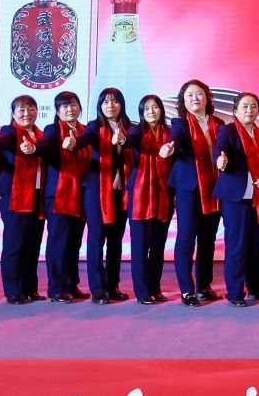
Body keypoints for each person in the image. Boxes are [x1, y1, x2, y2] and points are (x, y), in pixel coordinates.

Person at [214, 92, 259, 307]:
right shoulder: (228, 130)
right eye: (245, 106)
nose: (249, 110)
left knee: (256, 245)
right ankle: (235, 291)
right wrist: (220, 159)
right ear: (235, 110)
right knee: (237, 244)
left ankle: (255, 287)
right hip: (236, 198)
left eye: (253, 106)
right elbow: (220, 148)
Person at [168, 79, 223, 305]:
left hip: (214, 189)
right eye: (189, 95)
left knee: (208, 240)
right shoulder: (180, 123)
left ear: (207, 97)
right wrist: (170, 145)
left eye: (199, 93)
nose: (195, 98)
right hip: (189, 190)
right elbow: (175, 138)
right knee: (186, 239)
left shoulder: (218, 123)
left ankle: (204, 286)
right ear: (183, 100)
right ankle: (186, 290)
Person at [40, 91, 92, 304]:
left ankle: (71, 284)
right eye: (64, 106)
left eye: (73, 104)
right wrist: (34, 148)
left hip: (81, 193)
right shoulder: (52, 129)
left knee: (74, 242)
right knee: (58, 242)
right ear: (57, 110)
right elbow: (45, 144)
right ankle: (55, 288)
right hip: (58, 194)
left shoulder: (85, 131)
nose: (70, 109)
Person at [83, 88, 133, 304]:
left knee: (115, 240)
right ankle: (97, 289)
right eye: (105, 102)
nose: (110, 106)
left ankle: (113, 286)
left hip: (122, 191)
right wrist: (73, 143)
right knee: (96, 238)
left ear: (121, 104)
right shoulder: (93, 127)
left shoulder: (130, 128)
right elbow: (83, 139)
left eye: (114, 101)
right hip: (97, 191)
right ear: (99, 106)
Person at [0, 95, 46, 305]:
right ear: (13, 113)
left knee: (32, 245)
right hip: (16, 196)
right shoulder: (9, 132)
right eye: (22, 110)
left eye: (31, 109)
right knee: (14, 245)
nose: (27, 114)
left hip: (37, 196)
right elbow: (1, 142)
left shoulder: (41, 134)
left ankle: (30, 288)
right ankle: (13, 291)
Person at [127, 94, 175, 305]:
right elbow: (130, 141)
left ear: (161, 110)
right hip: (139, 196)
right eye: (146, 108)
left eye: (155, 107)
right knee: (140, 247)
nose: (151, 112)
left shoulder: (170, 133)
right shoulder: (136, 130)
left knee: (158, 246)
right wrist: (122, 140)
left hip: (164, 194)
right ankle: (142, 291)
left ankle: (155, 288)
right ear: (141, 112)